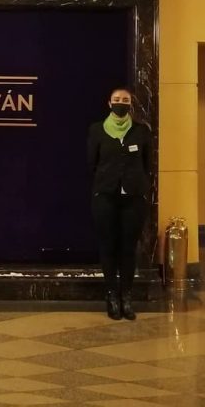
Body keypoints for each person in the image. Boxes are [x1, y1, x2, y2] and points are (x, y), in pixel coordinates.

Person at [87, 87, 152, 321]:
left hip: (133, 199)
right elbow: (92, 163)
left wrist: (138, 184)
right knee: (108, 247)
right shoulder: (97, 130)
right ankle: (112, 296)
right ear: (109, 103)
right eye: (117, 99)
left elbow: (148, 164)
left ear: (130, 104)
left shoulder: (141, 131)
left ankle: (126, 296)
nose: (120, 103)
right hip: (105, 197)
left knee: (128, 249)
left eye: (125, 100)